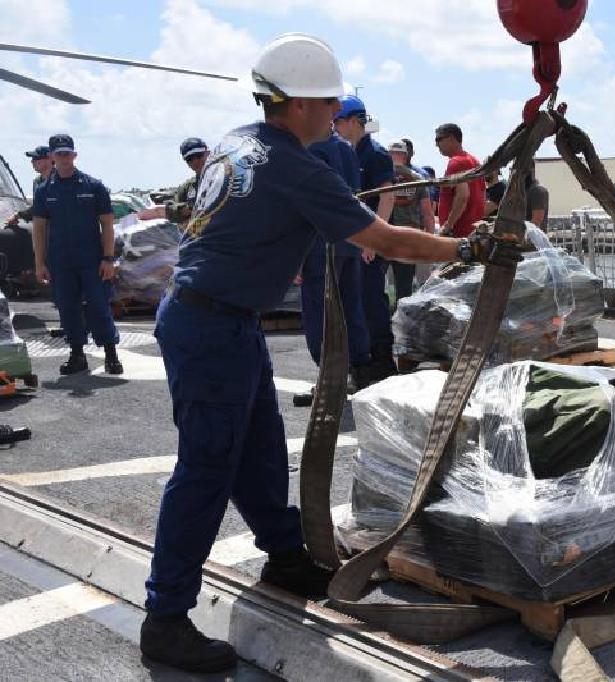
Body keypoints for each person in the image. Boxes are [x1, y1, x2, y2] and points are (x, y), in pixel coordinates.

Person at [139, 33, 520, 674]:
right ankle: (166, 618)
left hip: (215, 322)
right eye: (329, 103)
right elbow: (384, 239)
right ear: (298, 106)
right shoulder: (294, 167)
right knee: (205, 471)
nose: (338, 114)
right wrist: (465, 250)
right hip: (212, 331)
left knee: (257, 447)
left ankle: (286, 557)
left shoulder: (238, 141)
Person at [31, 134, 122, 376]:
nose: (64, 158)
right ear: (51, 157)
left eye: (68, 153)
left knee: (98, 305)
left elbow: (108, 225)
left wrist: (108, 258)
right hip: (61, 261)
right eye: (59, 154)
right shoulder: (43, 191)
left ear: (75, 155)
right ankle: (77, 355)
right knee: (67, 307)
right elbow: (38, 229)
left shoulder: (94, 186)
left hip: (91, 260)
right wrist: (39, 263)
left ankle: (111, 354)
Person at [298, 122, 374, 396]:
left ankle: (330, 377)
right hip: (350, 240)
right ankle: (355, 369)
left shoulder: (312, 147)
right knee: (350, 307)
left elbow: (309, 202)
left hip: (321, 244)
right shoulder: (344, 147)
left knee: (320, 312)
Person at [334, 94, 398, 378]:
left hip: (369, 242)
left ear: (351, 121)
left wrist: (376, 238)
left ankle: (381, 363)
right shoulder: (342, 153)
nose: (333, 127)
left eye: (337, 121)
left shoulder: (376, 154)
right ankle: (357, 363)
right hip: (350, 242)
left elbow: (387, 196)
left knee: (371, 301)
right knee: (350, 303)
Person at [387, 139, 434, 300]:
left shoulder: (382, 177)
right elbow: (428, 212)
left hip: (383, 234)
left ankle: (387, 317)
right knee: (404, 284)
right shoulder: (418, 178)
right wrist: (430, 238)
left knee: (382, 283)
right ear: (406, 155)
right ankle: (402, 318)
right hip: (408, 235)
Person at [140, 138, 211, 224]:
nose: (195, 161)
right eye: (190, 159)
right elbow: (173, 207)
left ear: (208, 153)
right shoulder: (188, 187)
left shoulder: (225, 178)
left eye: (198, 156)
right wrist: (184, 210)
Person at [435, 122, 485, 238]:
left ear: (451, 138)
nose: (436, 145)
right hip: (472, 232)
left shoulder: (457, 162)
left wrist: (448, 226)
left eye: (439, 139)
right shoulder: (474, 161)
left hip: (458, 233)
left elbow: (463, 196)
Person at [5, 145, 52, 227]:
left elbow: (42, 208)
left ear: (49, 160)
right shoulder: (37, 182)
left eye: (36, 158)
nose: (32, 162)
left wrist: (19, 215)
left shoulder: (60, 181)